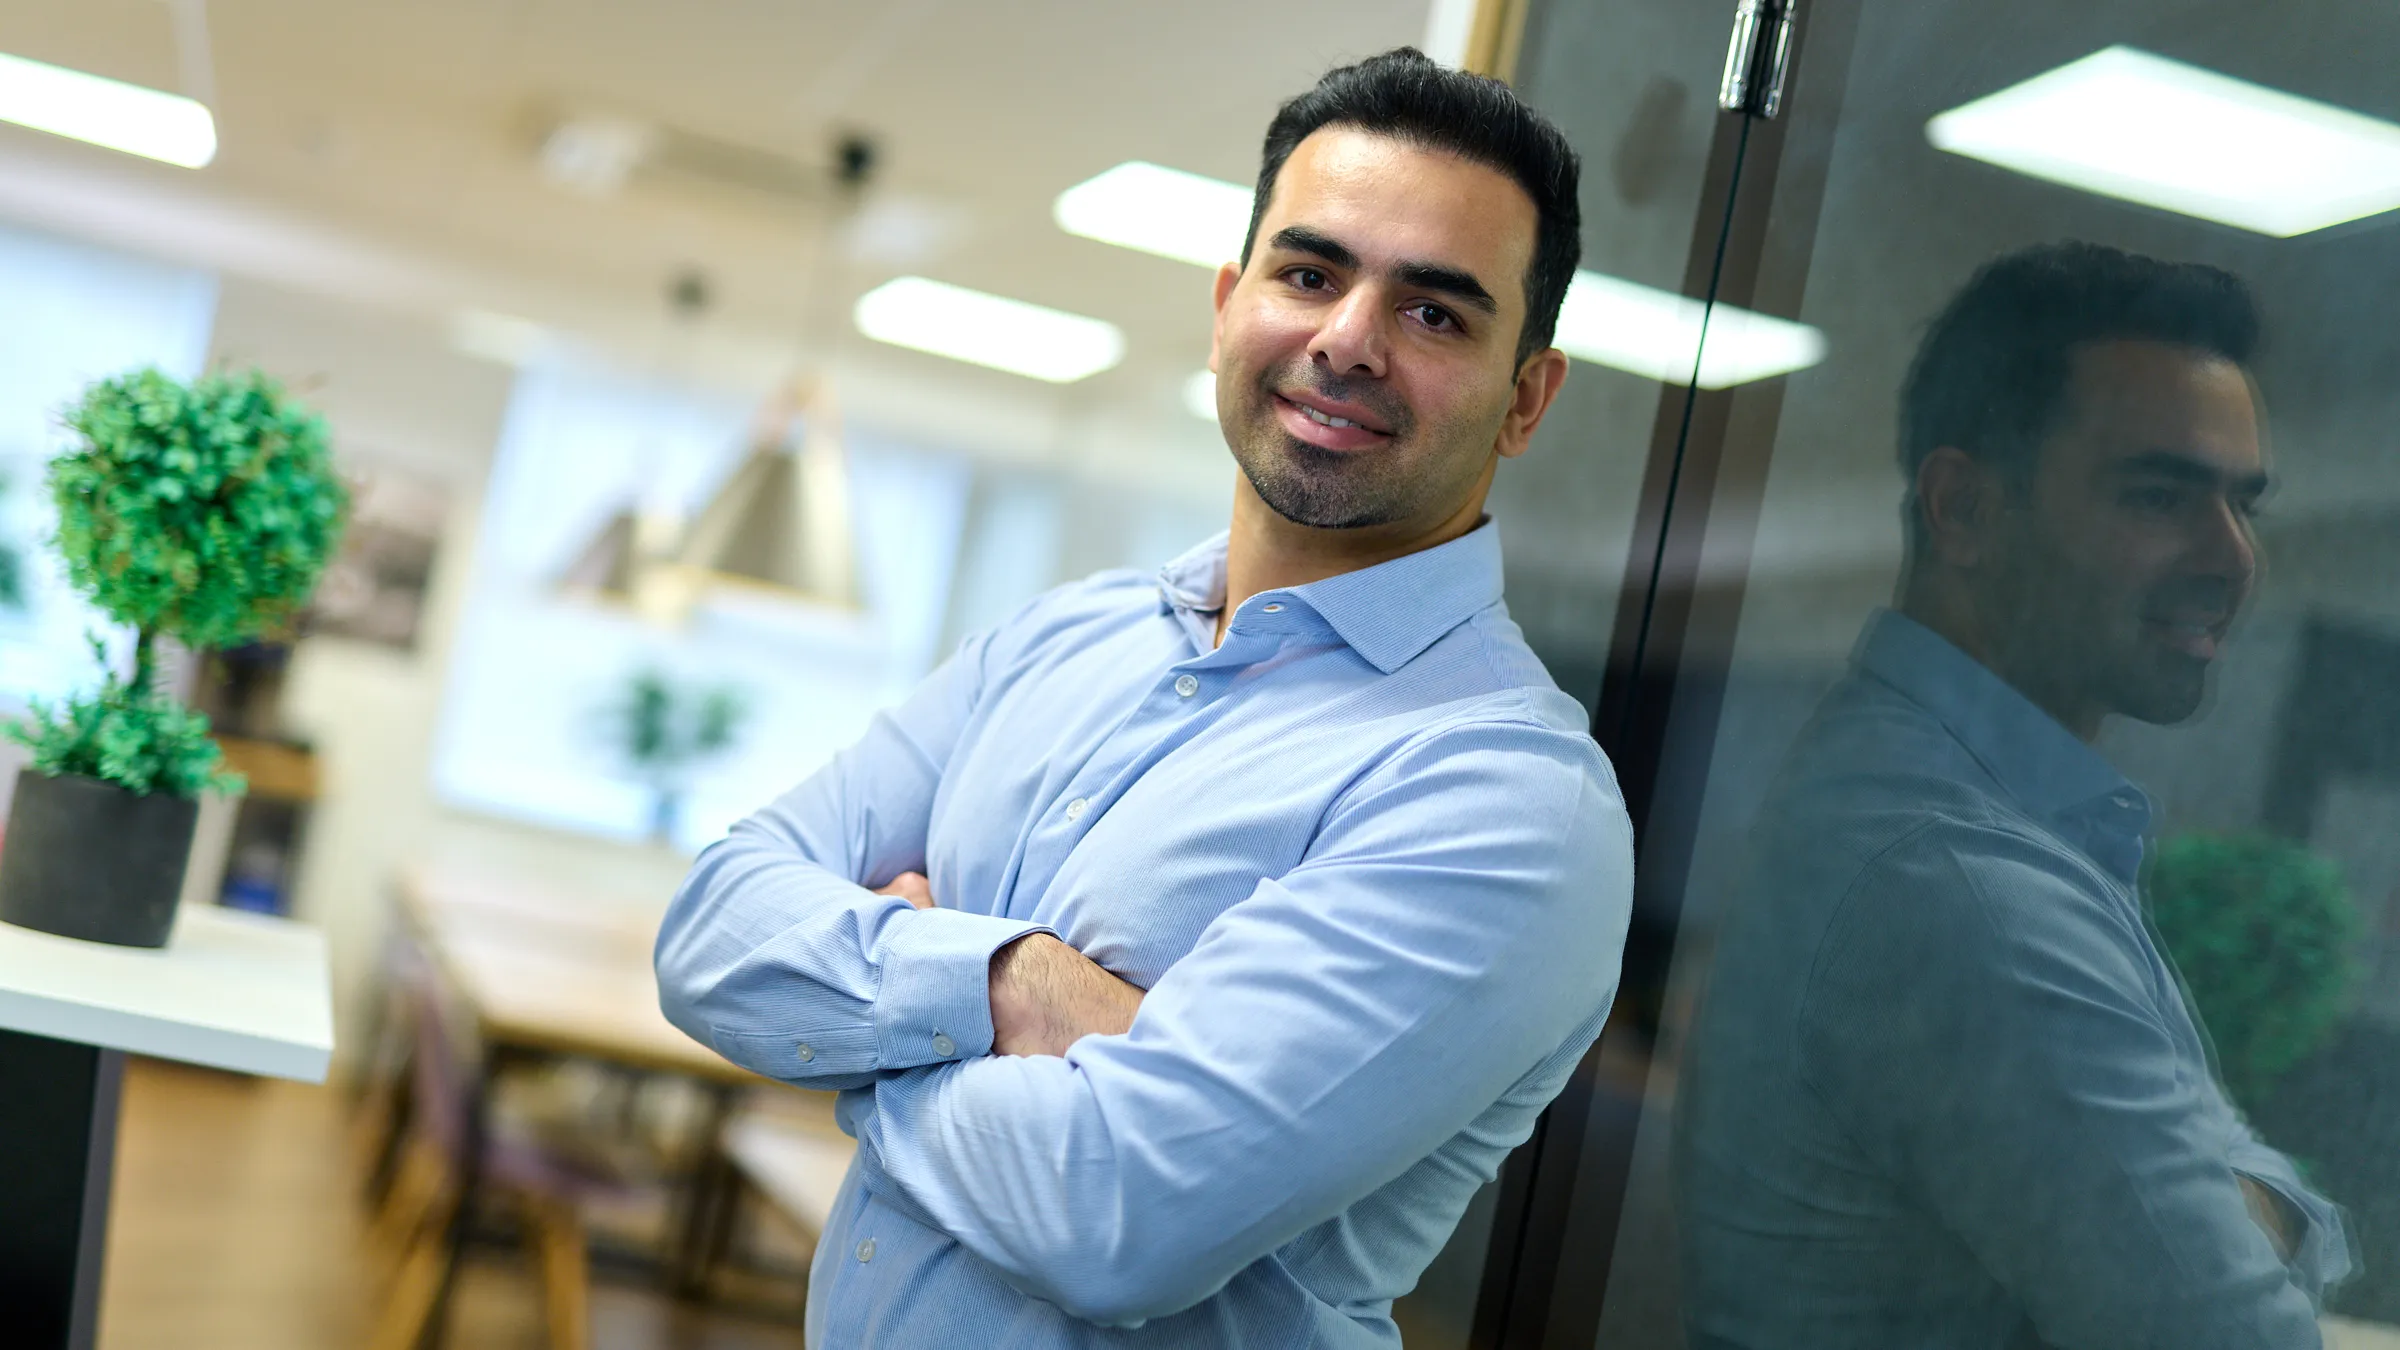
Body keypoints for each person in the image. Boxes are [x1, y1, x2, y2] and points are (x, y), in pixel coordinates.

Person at [655, 48, 1634, 1347]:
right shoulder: (1069, 636)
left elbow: (1111, 1211)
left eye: (1435, 313)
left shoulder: (1509, 800)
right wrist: (1015, 985)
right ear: (1231, 304)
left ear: (1528, 397)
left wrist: (862, 1026)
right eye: (1309, 272)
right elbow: (714, 928)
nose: (1348, 339)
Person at [1675, 241, 2351, 1349]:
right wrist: (2227, 1194)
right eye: (2160, 494)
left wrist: (2226, 1192)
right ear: (1966, 509)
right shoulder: (1963, 883)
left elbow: (2247, 1227)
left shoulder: (1975, 813)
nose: (2231, 559)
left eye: (2246, 507)